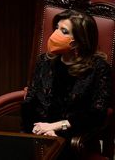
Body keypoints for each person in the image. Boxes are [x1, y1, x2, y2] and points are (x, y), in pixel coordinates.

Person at [21, 9, 112, 158]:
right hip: (39, 134)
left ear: (78, 41)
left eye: (63, 31)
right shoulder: (45, 61)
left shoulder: (98, 68)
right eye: (56, 28)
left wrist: (56, 128)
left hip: (74, 137)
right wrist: (37, 128)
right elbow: (30, 100)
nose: (55, 34)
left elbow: (97, 113)